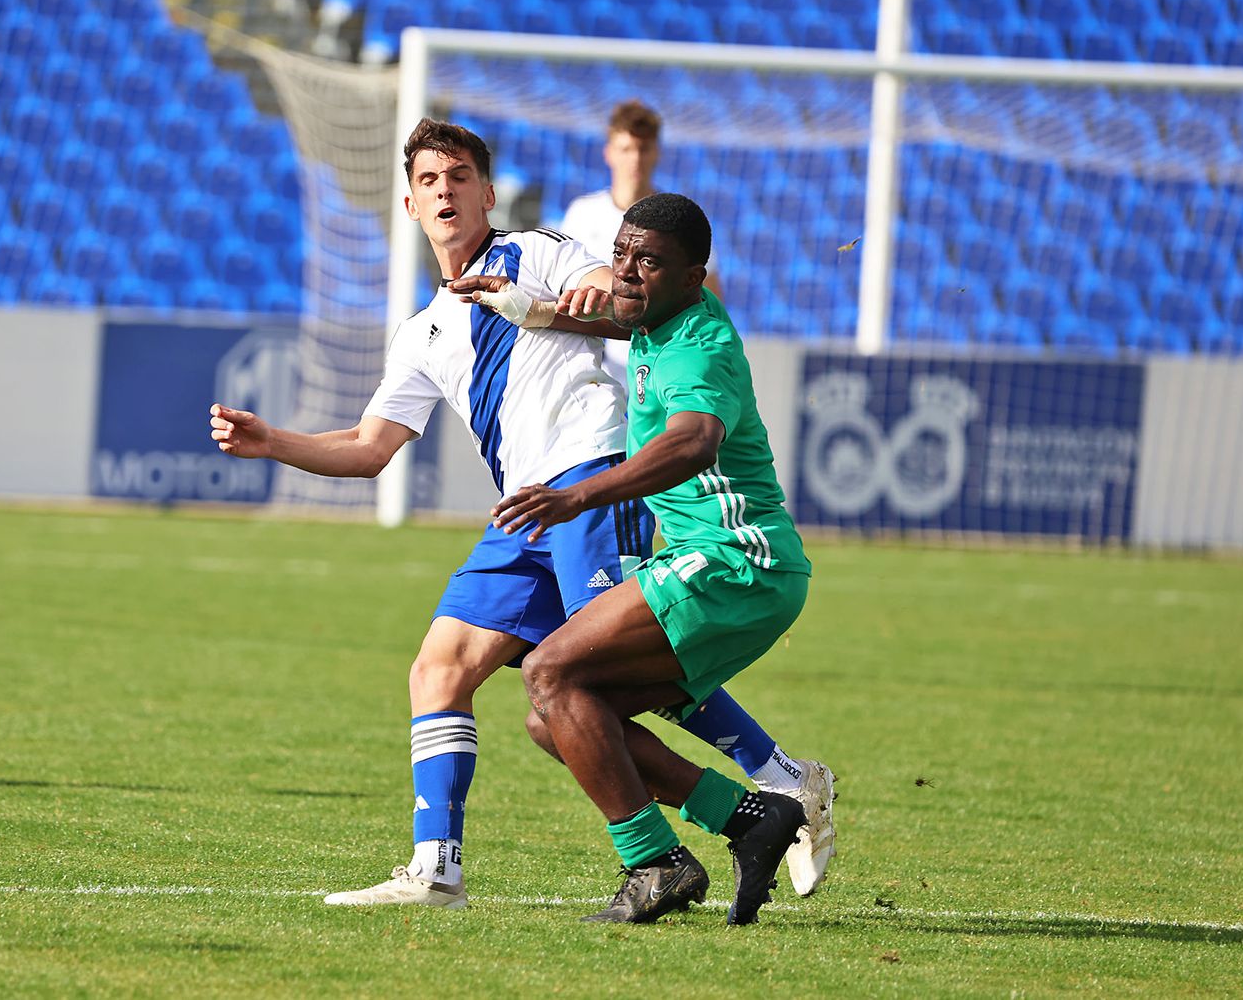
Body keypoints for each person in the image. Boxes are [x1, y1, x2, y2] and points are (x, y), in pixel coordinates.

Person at [210, 120, 831, 910]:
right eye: (431, 180)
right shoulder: (421, 332)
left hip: (595, 479)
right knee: (443, 669)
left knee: (596, 675)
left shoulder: (538, 248)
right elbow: (369, 447)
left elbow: (624, 289)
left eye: (460, 176)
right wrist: (275, 443)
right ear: (409, 202)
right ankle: (438, 870)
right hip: (524, 510)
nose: (446, 190)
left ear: (488, 193)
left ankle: (779, 782)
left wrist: (568, 293)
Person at [483, 192, 815, 924]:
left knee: (548, 670)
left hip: (737, 560)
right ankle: (751, 818)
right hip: (728, 566)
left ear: (694, 278)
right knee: (561, 716)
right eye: (623, 253)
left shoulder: (697, 344)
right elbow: (612, 312)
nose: (627, 273)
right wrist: (526, 307)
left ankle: (656, 863)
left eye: (649, 262)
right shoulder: (657, 320)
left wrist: (579, 497)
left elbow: (694, 440)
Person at [559, 101, 721, 381]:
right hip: (592, 367)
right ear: (609, 153)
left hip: (660, 364)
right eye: (626, 148)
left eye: (643, 149)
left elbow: (711, 300)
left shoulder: (679, 220)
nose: (635, 159)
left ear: (656, 153)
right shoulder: (582, 214)